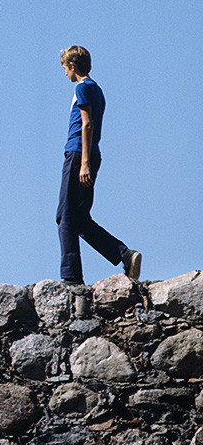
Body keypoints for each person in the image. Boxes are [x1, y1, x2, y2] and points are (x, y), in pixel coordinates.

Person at [57, 45, 141, 285]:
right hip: (92, 155)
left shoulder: (82, 87)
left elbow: (87, 125)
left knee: (65, 217)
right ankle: (124, 254)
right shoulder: (98, 89)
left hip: (78, 155)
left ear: (72, 66)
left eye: (65, 68)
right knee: (80, 219)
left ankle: (71, 278)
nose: (65, 74)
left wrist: (83, 163)